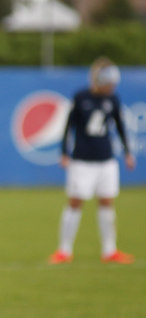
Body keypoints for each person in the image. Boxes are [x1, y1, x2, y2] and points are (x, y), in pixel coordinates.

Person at [49, 57, 136, 265]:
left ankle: (109, 250)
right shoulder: (81, 97)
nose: (111, 87)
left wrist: (127, 152)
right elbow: (68, 127)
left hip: (106, 160)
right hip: (82, 161)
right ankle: (64, 250)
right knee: (75, 202)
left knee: (107, 202)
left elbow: (120, 126)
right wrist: (64, 152)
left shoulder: (113, 100)